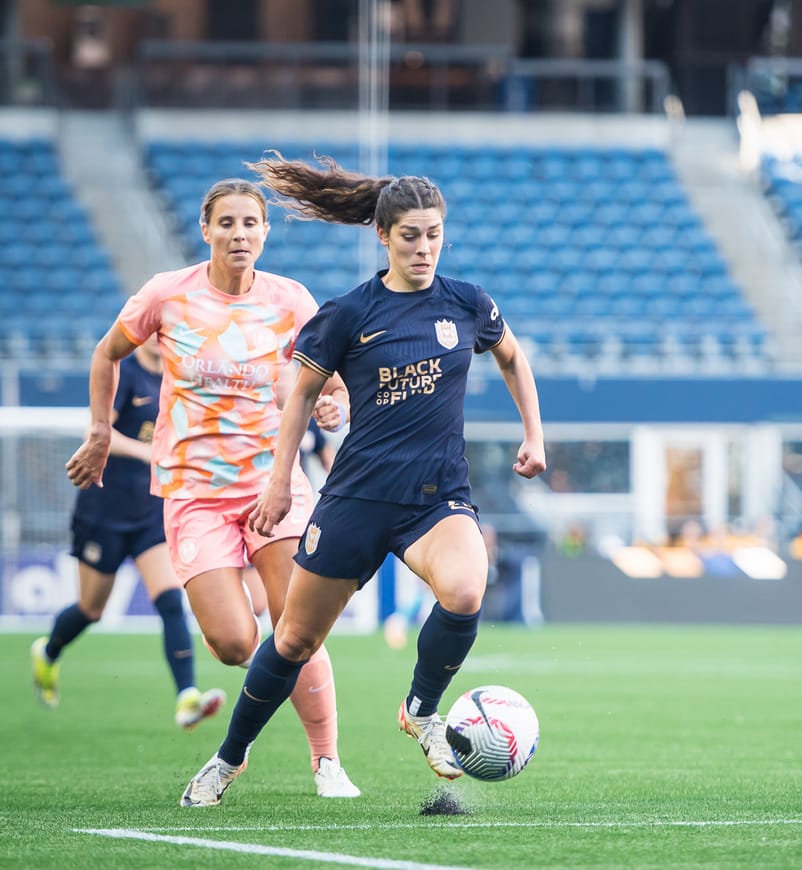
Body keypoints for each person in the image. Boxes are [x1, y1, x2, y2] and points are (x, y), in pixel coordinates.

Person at [178, 156, 545, 807]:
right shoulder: (349, 313)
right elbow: (300, 398)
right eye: (410, 235)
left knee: (466, 590)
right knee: (293, 639)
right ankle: (228, 758)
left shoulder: (468, 303)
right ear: (383, 235)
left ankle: (422, 709)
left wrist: (533, 435)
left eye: (434, 233)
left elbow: (513, 357)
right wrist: (281, 481)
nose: (424, 247)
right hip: (355, 500)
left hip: (436, 498)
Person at [65, 178, 361, 800]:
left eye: (250, 223)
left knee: (298, 627)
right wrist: (99, 432)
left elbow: (331, 378)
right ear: (206, 229)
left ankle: (327, 761)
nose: (239, 234)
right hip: (193, 492)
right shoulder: (167, 296)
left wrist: (335, 403)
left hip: (271, 486)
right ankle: (254, 717)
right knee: (234, 644)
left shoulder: (291, 301)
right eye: (226, 223)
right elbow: (105, 353)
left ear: (264, 232)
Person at [32, 336, 226, 729]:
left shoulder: (176, 377)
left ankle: (186, 697)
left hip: (150, 511)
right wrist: (148, 454)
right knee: (91, 609)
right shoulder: (124, 374)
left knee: (171, 600)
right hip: (103, 510)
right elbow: (100, 433)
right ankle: (49, 651)